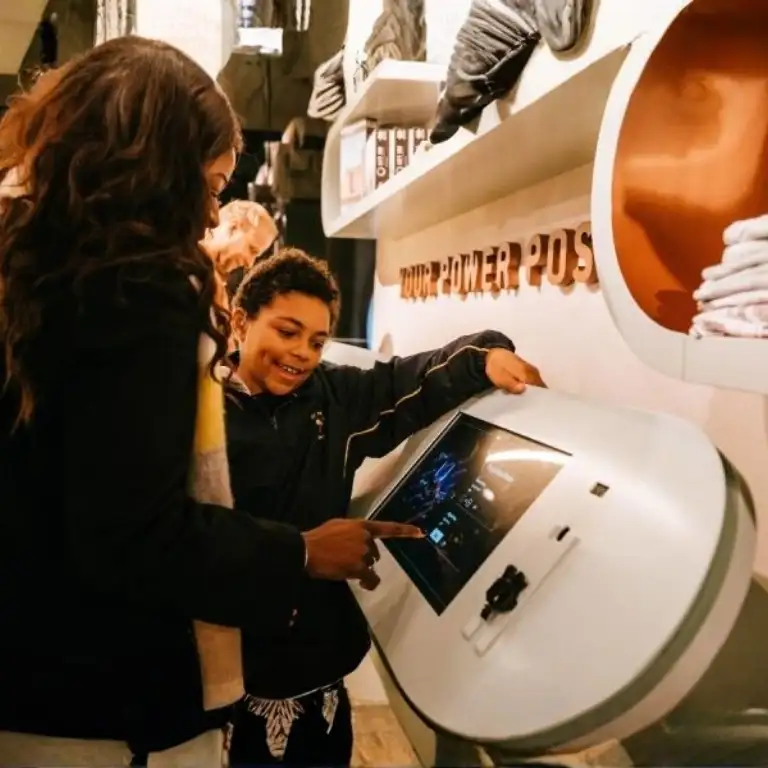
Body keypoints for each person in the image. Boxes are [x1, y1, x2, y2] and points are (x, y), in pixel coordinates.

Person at [0, 37, 419, 766]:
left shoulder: (27, 261)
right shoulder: (139, 293)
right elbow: (133, 531)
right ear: (159, 166)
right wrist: (299, 553)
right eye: (213, 185)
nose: (208, 218)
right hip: (105, 701)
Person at [224, 248, 546, 766]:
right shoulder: (197, 409)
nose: (302, 353)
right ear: (241, 320)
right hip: (223, 669)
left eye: (317, 340)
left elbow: (411, 380)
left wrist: (484, 356)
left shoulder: (335, 396)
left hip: (317, 665)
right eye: (287, 332)